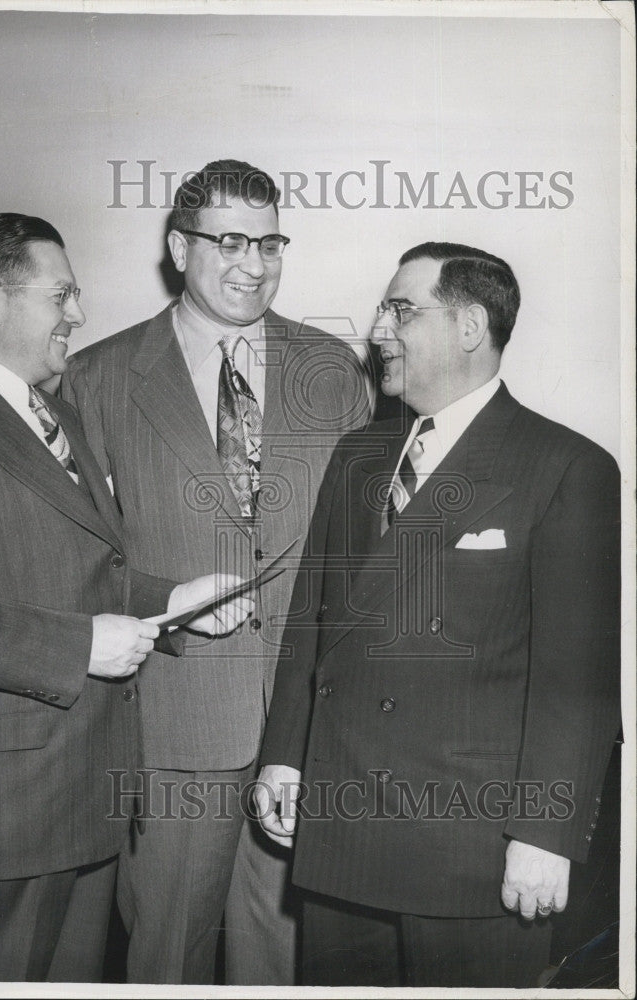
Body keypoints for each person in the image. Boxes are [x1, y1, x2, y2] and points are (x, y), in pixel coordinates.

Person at [0, 212, 251, 982]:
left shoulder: (54, 416)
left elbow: (75, 571)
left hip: (78, 804)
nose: (80, 313)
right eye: (61, 294)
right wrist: (79, 647)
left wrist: (175, 596)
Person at [256, 241, 621, 987]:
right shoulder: (358, 455)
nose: (377, 329)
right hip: (342, 834)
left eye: (400, 309)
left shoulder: (565, 467)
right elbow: (312, 623)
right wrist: (284, 756)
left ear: (468, 326)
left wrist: (544, 834)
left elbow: (575, 681)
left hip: (472, 850)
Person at [61, 160, 371, 984]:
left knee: (281, 962)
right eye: (230, 240)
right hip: (171, 721)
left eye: (270, 242)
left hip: (303, 728)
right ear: (177, 247)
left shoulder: (332, 368)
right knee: (166, 952)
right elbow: (77, 559)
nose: (254, 262)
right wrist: (162, 604)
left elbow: (363, 545)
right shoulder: (97, 378)